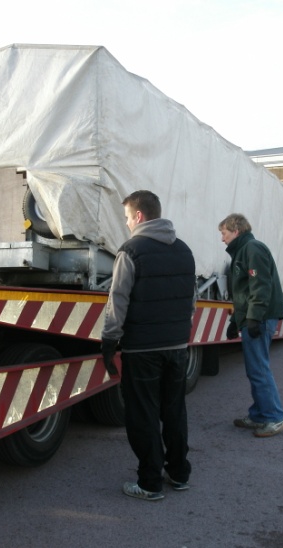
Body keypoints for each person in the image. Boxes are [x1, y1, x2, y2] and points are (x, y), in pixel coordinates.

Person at [101, 190, 196, 501]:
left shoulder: (131, 251)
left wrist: (109, 339)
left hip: (142, 348)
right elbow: (190, 301)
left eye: (127, 217)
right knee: (174, 411)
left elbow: (118, 299)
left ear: (139, 216)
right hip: (177, 346)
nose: (127, 223)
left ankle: (150, 482)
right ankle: (179, 473)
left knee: (143, 415)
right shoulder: (184, 250)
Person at [219, 213, 283, 438]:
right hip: (254, 317)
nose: (222, 238)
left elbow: (260, 287)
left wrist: (254, 318)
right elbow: (244, 293)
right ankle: (260, 414)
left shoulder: (252, 249)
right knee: (255, 369)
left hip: (260, 318)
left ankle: (275, 418)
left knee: (258, 368)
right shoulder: (244, 251)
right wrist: (235, 320)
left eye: (224, 233)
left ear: (236, 230)